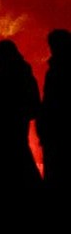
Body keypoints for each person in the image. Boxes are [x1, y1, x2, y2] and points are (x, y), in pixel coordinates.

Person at [0, 39, 42, 201]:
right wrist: (31, 112)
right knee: (20, 152)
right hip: (17, 121)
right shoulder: (22, 68)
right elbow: (32, 93)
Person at [36, 28, 71, 205]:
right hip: (57, 131)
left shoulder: (56, 71)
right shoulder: (57, 69)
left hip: (56, 133)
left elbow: (50, 102)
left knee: (55, 175)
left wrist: (43, 128)